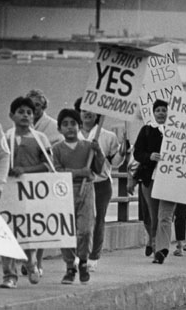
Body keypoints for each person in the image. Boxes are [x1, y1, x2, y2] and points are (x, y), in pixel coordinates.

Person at [1, 97, 54, 289]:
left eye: (29, 112)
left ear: (34, 116)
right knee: (7, 234)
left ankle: (31, 261)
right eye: (20, 111)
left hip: (32, 195)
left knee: (30, 231)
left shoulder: (41, 138)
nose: (25, 115)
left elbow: (49, 166)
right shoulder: (5, 138)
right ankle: (9, 275)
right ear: (11, 115)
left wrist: (25, 170)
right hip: (9, 194)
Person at [51, 109, 105, 285]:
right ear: (59, 129)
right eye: (65, 124)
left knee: (86, 229)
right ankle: (70, 267)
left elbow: (98, 168)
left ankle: (82, 261)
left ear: (79, 126)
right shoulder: (57, 149)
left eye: (73, 124)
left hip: (87, 190)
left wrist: (99, 152)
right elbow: (57, 171)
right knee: (65, 231)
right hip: (64, 192)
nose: (70, 128)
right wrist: (78, 172)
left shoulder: (88, 146)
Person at [73, 98, 124, 272]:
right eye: (83, 109)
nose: (87, 113)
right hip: (78, 184)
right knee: (78, 221)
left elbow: (115, 162)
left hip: (100, 184)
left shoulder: (108, 136)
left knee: (97, 220)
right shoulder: (72, 134)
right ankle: (79, 255)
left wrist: (123, 152)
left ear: (98, 114)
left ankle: (93, 256)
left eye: (91, 110)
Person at [133, 99, 177, 264]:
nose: (161, 113)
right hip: (150, 179)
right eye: (158, 110)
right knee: (153, 217)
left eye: (164, 110)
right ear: (153, 112)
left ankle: (161, 250)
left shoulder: (176, 131)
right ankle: (153, 242)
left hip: (171, 180)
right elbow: (137, 153)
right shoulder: (146, 130)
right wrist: (149, 156)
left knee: (165, 216)